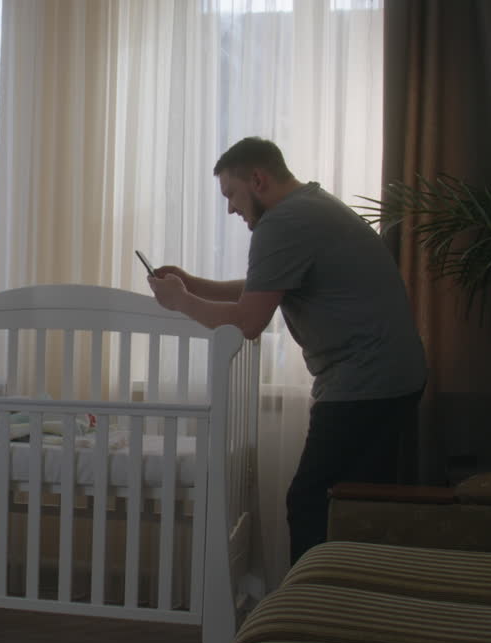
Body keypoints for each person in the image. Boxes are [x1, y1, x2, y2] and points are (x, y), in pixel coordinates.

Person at [146, 136, 426, 564]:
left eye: (231, 195)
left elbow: (248, 322)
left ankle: (312, 613)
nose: (230, 209)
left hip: (367, 380)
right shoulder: (310, 207)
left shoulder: (283, 223)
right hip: (388, 376)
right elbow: (262, 289)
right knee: (353, 503)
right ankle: (345, 604)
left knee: (312, 501)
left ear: (258, 179)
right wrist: (191, 283)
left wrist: (179, 301)